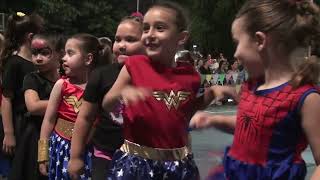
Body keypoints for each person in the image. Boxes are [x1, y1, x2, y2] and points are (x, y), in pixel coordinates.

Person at [102, 1, 236, 179]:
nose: (149, 34)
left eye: (159, 28)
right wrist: (122, 93)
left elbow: (184, 113)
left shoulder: (191, 75)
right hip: (137, 162)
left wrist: (210, 95)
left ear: (181, 37)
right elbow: (106, 103)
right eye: (146, 28)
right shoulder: (134, 65)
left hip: (178, 164)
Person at [190, 0, 320, 179]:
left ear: (260, 41)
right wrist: (214, 120)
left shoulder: (306, 98)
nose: (235, 53)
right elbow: (253, 126)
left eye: (237, 42)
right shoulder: (251, 85)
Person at [68, 15, 145, 180]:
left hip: (144, 156)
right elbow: (85, 118)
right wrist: (75, 156)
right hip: (106, 153)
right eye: (118, 39)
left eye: (130, 40)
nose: (122, 45)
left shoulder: (154, 77)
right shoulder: (101, 75)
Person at [38, 33, 105, 180]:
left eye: (70, 53)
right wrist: (42, 154)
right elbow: (48, 120)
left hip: (89, 151)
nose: (63, 58)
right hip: (59, 148)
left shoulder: (101, 89)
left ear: (88, 59)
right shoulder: (62, 85)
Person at [9, 33, 64, 180]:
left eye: (45, 53)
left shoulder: (66, 79)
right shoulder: (32, 78)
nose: (38, 58)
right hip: (35, 137)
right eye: (34, 53)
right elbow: (33, 106)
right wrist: (67, 103)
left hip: (62, 138)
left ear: (60, 54)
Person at [0, 12, 44, 177]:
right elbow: (6, 99)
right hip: (21, 125)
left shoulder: (36, 62)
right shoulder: (14, 63)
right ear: (31, 36)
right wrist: (9, 133)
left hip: (35, 124)